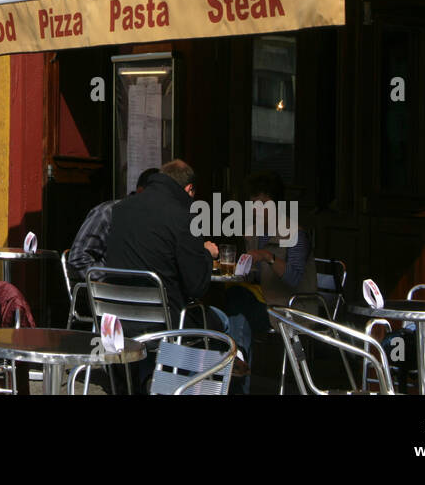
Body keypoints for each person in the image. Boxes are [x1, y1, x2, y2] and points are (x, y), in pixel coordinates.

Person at [222, 171, 316, 392]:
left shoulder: (296, 235)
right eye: (254, 204)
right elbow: (255, 276)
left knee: (238, 307)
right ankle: (238, 359)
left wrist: (268, 256)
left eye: (264, 204)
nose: (258, 210)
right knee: (232, 303)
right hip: (266, 303)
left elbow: (293, 278)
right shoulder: (254, 233)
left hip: (293, 308)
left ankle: (237, 364)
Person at [104, 159, 219, 325]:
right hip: (165, 323)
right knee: (224, 321)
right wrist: (207, 254)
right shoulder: (183, 217)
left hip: (118, 321)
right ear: (189, 189)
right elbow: (196, 287)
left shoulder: (120, 209)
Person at [67, 167, 161, 283]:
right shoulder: (108, 212)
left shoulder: (164, 219)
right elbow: (78, 260)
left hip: (150, 292)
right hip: (109, 293)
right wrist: (115, 277)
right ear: (141, 192)